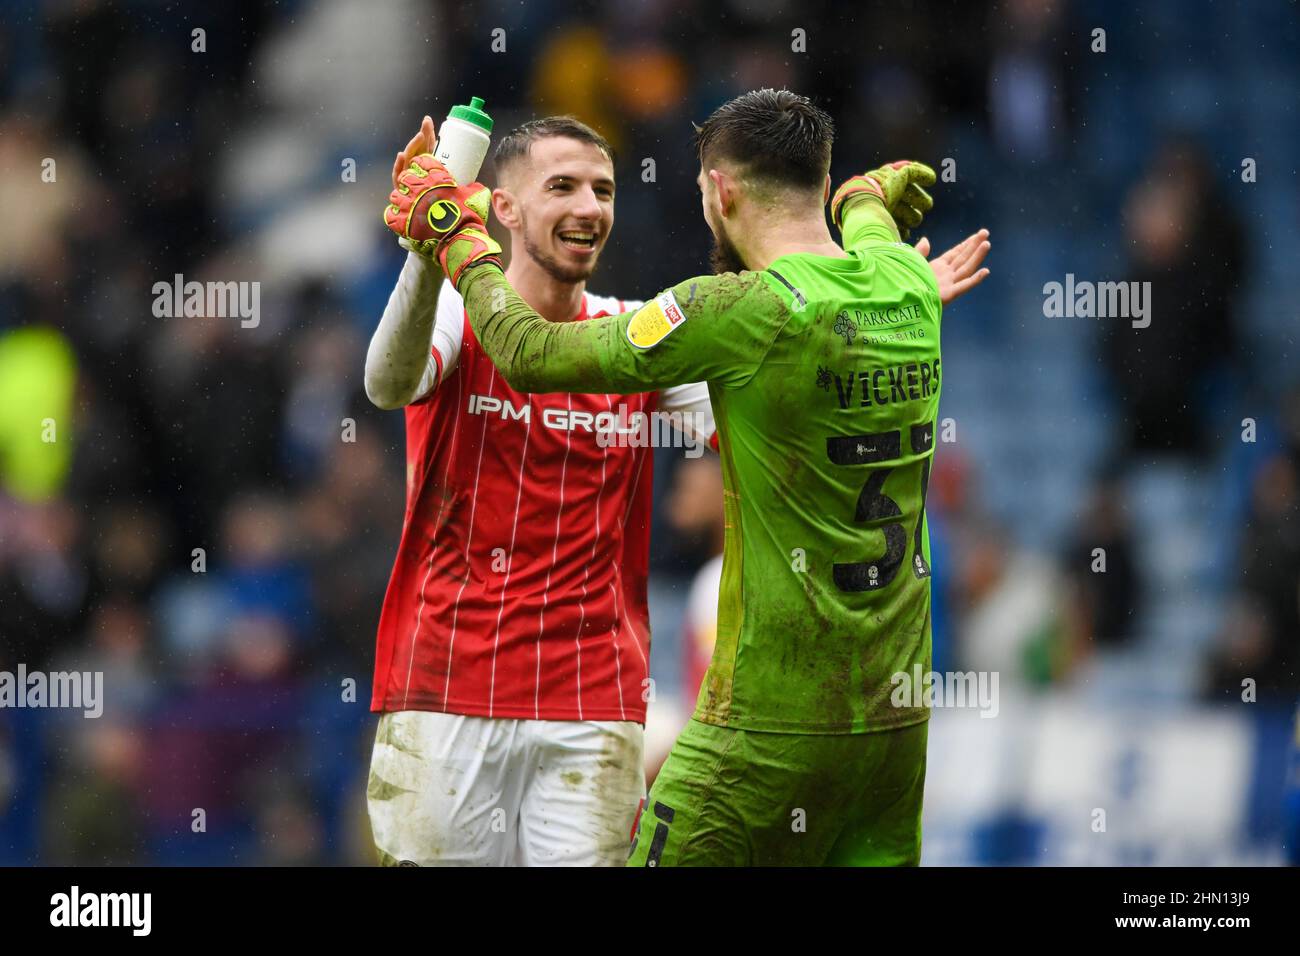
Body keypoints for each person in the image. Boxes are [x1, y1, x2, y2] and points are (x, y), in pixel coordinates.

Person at [373, 97, 989, 865]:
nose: (590, 207)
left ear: (720, 193)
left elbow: (529, 354)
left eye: (603, 189)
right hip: (891, 725)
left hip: (746, 729)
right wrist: (865, 206)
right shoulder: (902, 285)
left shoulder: (722, 314)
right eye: (563, 187)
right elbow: (386, 382)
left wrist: (455, 241)